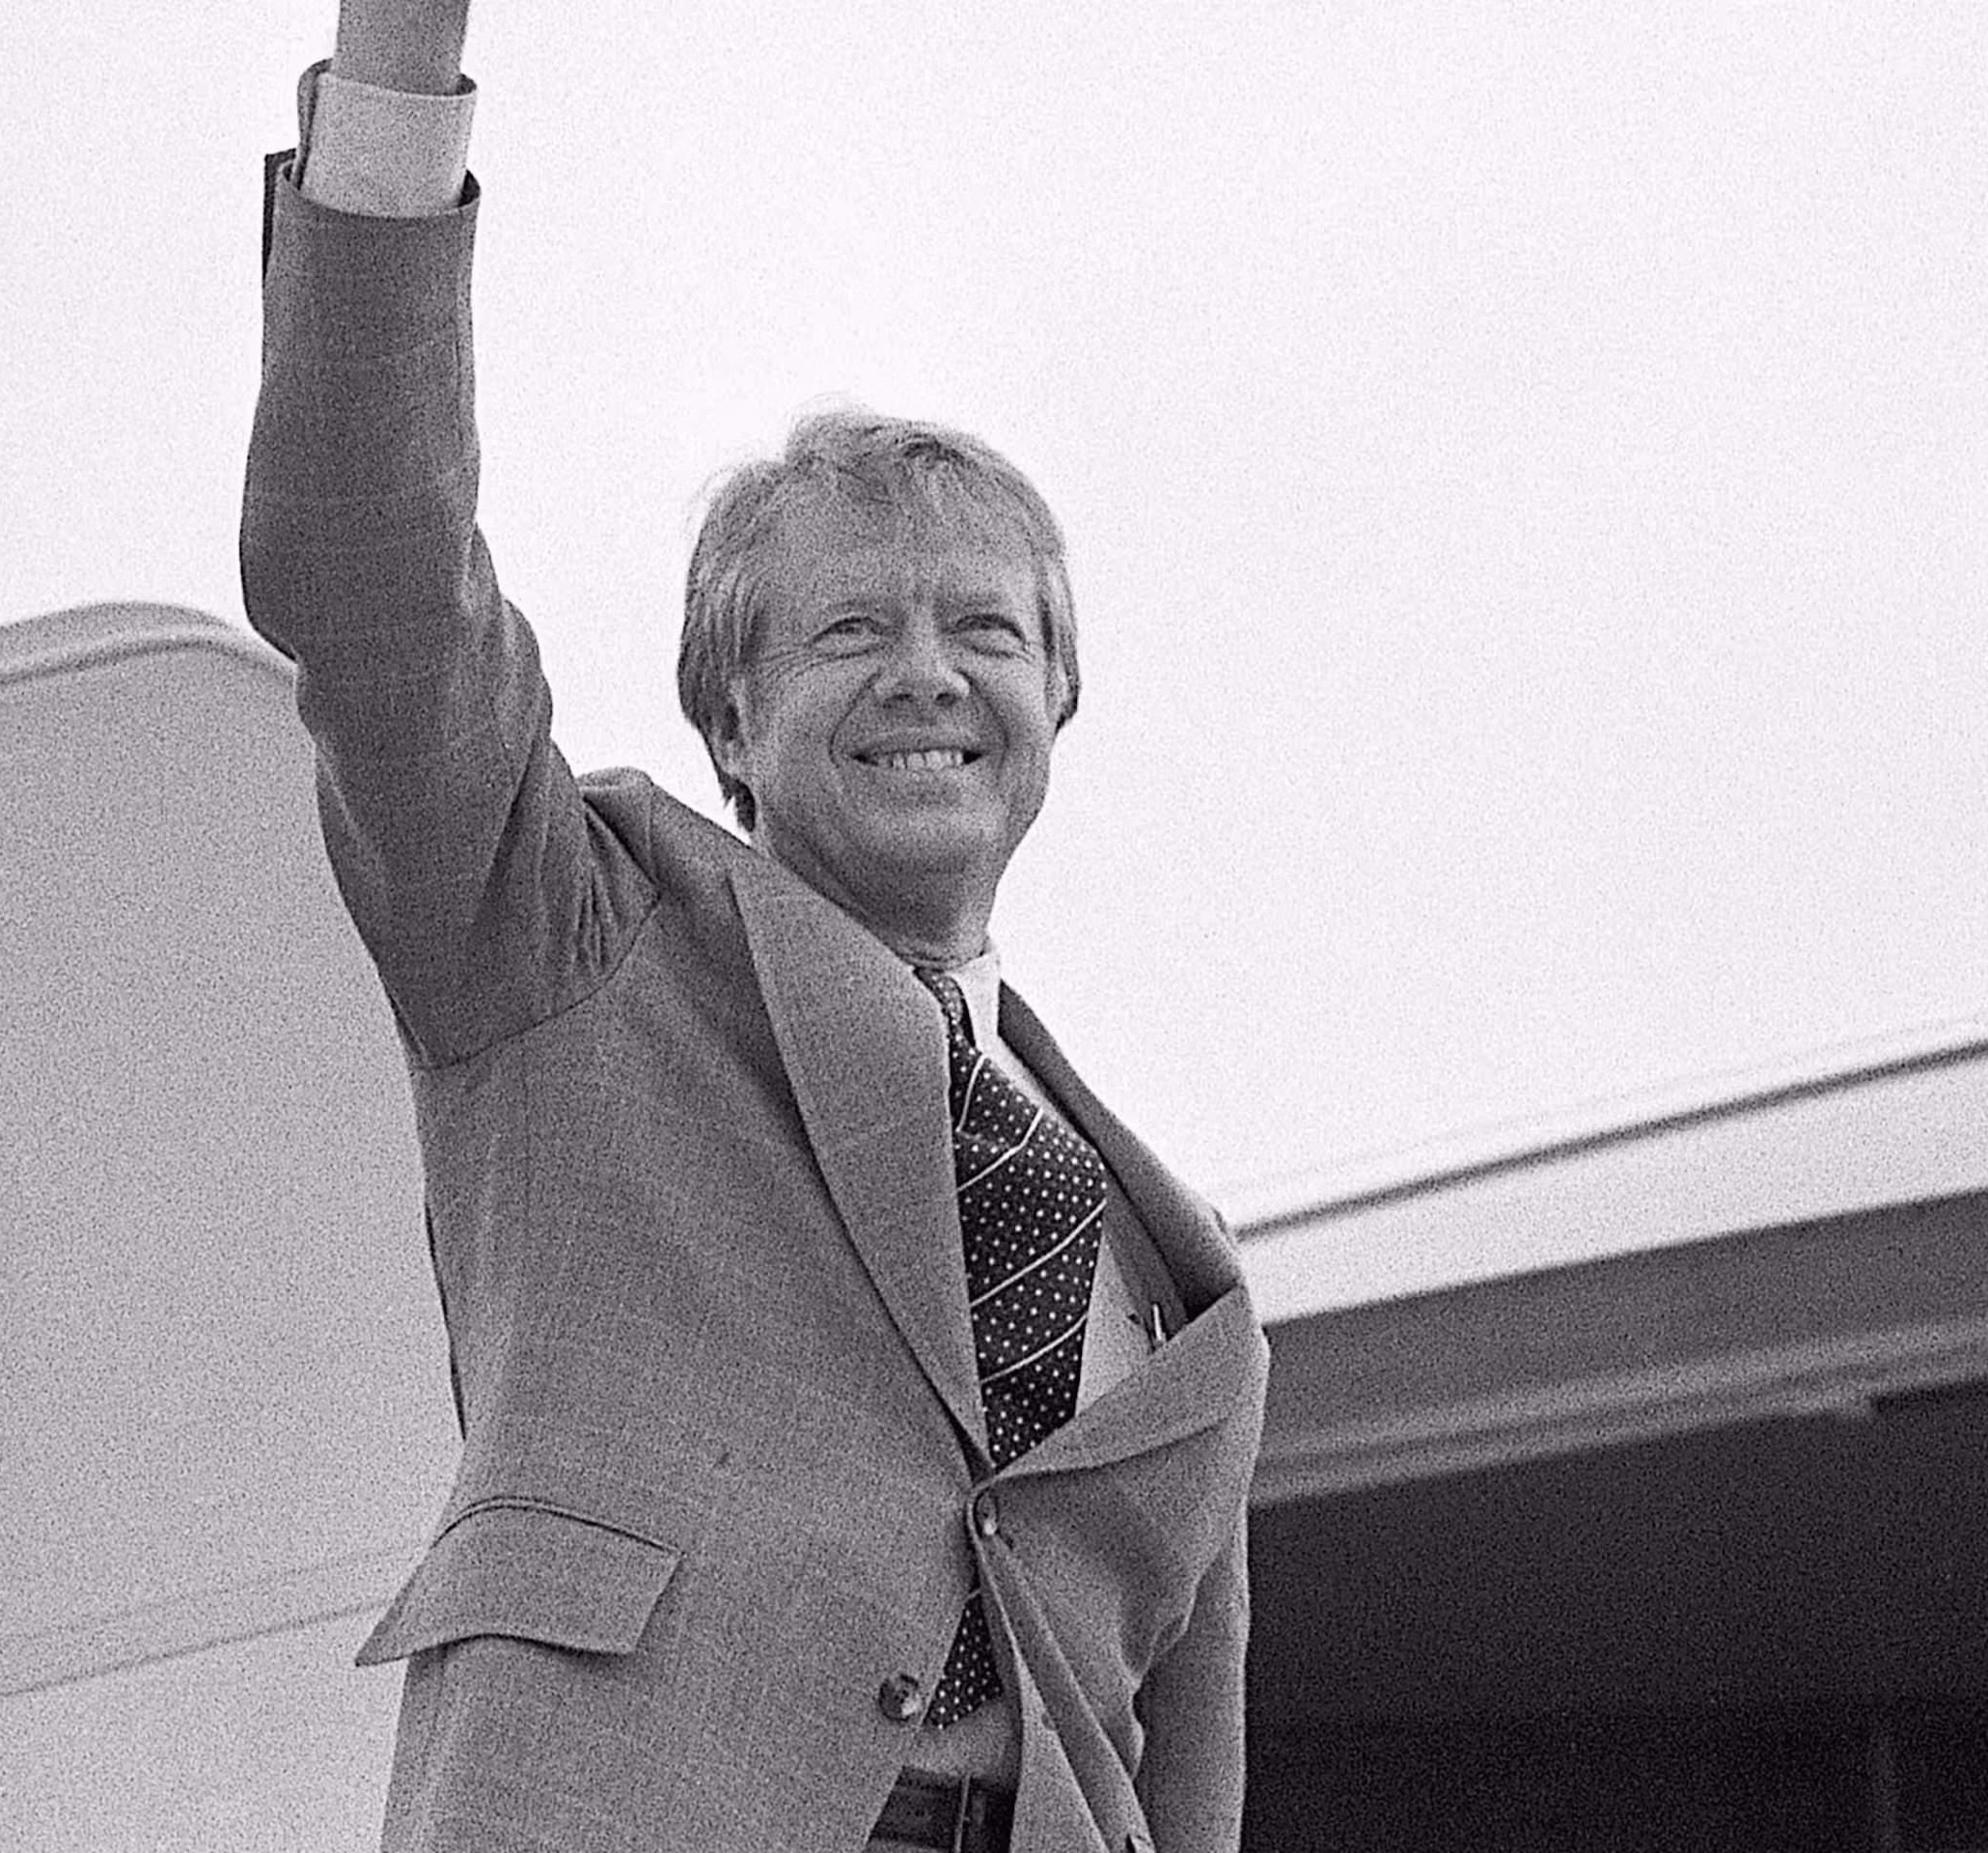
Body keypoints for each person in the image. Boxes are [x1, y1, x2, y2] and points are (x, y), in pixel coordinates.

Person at [238, 5, 1266, 1848]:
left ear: (1060, 698)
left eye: (986, 630)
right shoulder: (571, 940)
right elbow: (374, 574)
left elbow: (1179, 1757)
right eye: (852, 630)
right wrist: (402, 61)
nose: (928, 674)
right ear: (730, 719)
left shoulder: (1167, 1255)